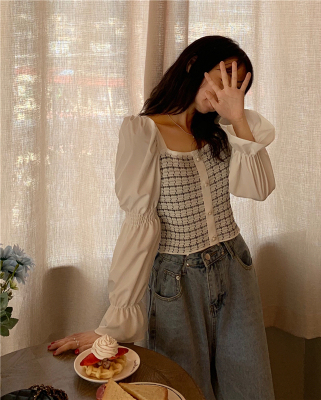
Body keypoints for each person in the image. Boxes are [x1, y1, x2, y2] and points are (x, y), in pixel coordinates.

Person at [48, 35, 276, 400]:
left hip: (234, 267)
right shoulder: (144, 133)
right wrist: (113, 325)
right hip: (175, 281)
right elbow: (138, 228)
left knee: (251, 389)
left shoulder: (223, 129)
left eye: (238, 86)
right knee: (186, 389)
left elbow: (259, 188)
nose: (227, 92)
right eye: (224, 77)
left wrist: (237, 119)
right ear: (194, 65)